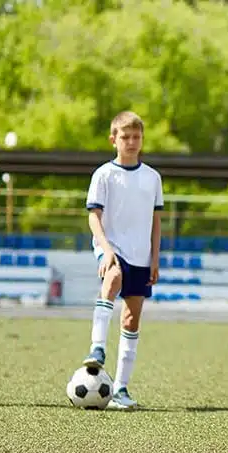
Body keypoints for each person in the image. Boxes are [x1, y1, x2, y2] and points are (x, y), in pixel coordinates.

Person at [80, 111, 163, 411]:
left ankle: (121, 390)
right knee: (112, 278)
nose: (131, 142)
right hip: (111, 246)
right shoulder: (103, 174)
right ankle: (97, 348)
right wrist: (106, 248)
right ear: (113, 139)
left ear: (142, 140)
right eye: (125, 137)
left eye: (136, 137)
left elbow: (156, 222)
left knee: (131, 318)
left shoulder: (152, 177)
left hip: (142, 254)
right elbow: (94, 216)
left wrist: (155, 257)